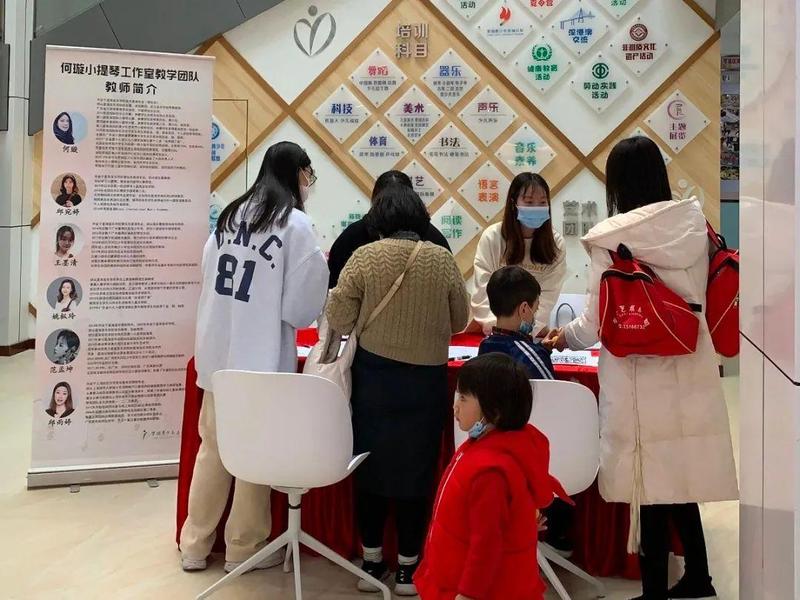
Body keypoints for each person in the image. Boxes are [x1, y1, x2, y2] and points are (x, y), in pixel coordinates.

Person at [544, 136, 738, 600]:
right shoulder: (695, 225)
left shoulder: (611, 238)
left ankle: (654, 592)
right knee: (680, 475)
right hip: (691, 361)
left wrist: (562, 338)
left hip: (637, 373)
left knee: (647, 484)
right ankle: (699, 578)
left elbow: (594, 323)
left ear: (617, 184)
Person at [180, 141, 329, 574]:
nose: (309, 183)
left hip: (217, 354)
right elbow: (300, 309)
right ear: (298, 174)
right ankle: (243, 548)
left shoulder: (230, 216)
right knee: (252, 456)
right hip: (261, 360)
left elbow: (208, 275)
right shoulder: (295, 224)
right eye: (308, 174)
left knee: (212, 449)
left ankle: (195, 544)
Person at [326, 185, 470, 596]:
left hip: (374, 380)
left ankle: (372, 561)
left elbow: (338, 317)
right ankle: (409, 567)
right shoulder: (441, 259)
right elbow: (460, 320)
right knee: (417, 472)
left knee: (368, 467)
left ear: (379, 220)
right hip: (426, 382)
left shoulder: (363, 257)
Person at [414, 353, 568, 600]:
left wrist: (469, 594)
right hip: (457, 570)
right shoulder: (491, 447)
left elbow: (486, 544)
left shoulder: (490, 472)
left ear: (493, 411)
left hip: (480, 588)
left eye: (463, 398)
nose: (455, 406)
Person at [471, 172, 567, 337]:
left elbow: (547, 297)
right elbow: (482, 288)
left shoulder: (555, 244)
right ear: (513, 203)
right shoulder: (493, 237)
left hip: (531, 330)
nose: (536, 208)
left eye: (542, 202)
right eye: (529, 202)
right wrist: (497, 326)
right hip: (493, 329)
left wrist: (527, 328)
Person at [327, 170, 451, 288]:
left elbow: (334, 290)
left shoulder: (353, 237)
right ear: (412, 198)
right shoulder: (435, 241)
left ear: (375, 201)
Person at [478, 265, 555, 380]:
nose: (534, 316)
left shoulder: (484, 346)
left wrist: (542, 349)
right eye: (535, 309)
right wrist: (539, 353)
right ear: (524, 309)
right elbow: (551, 388)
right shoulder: (532, 356)